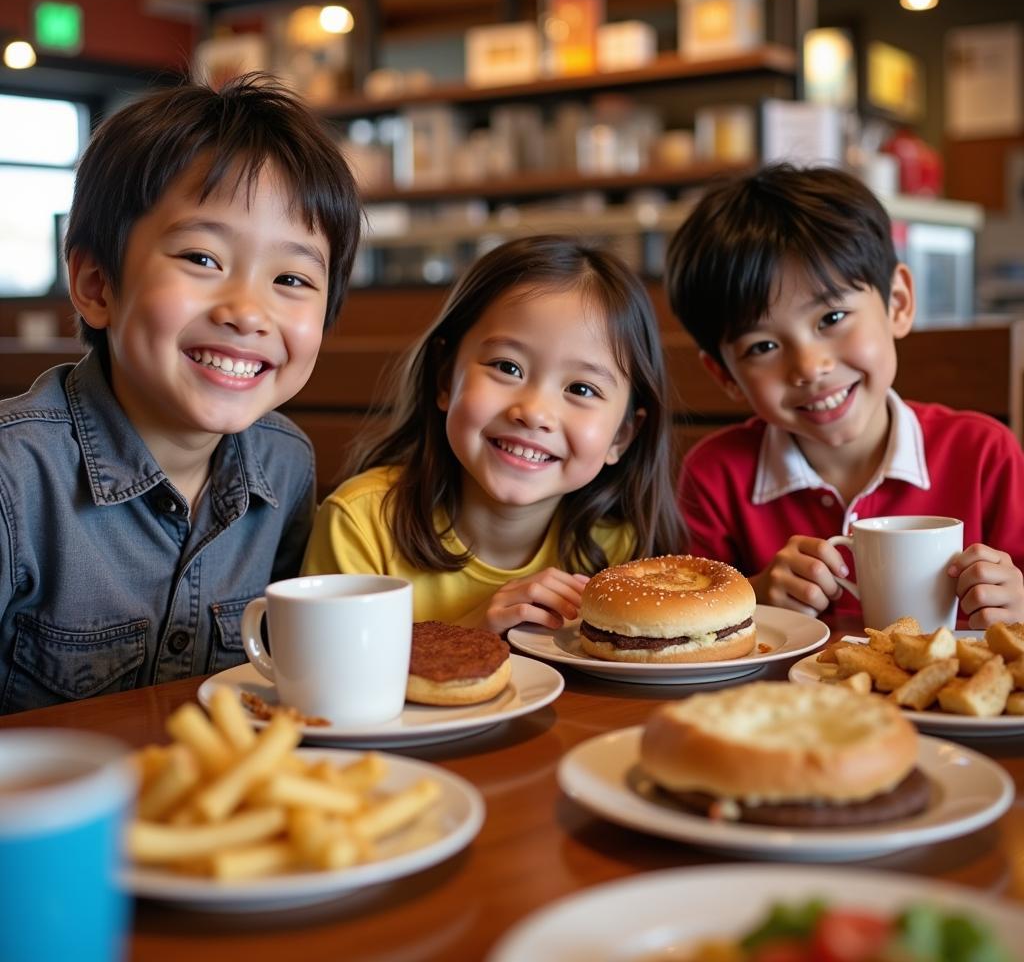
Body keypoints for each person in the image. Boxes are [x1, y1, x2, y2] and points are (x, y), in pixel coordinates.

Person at [0, 74, 361, 713]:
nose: (248, 312)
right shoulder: (15, 477)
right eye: (202, 259)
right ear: (96, 285)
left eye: (291, 277)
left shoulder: (285, 463)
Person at [665, 163, 1024, 629]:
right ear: (725, 375)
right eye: (763, 347)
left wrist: (1017, 602)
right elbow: (686, 630)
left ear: (898, 303)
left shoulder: (982, 455)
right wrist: (752, 599)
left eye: (832, 319)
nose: (810, 367)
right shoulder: (715, 477)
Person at [303, 235, 683, 631]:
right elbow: (323, 679)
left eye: (582, 389)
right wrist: (469, 635)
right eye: (508, 367)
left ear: (622, 436)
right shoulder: (362, 525)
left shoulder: (625, 553)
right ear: (445, 378)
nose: (535, 413)